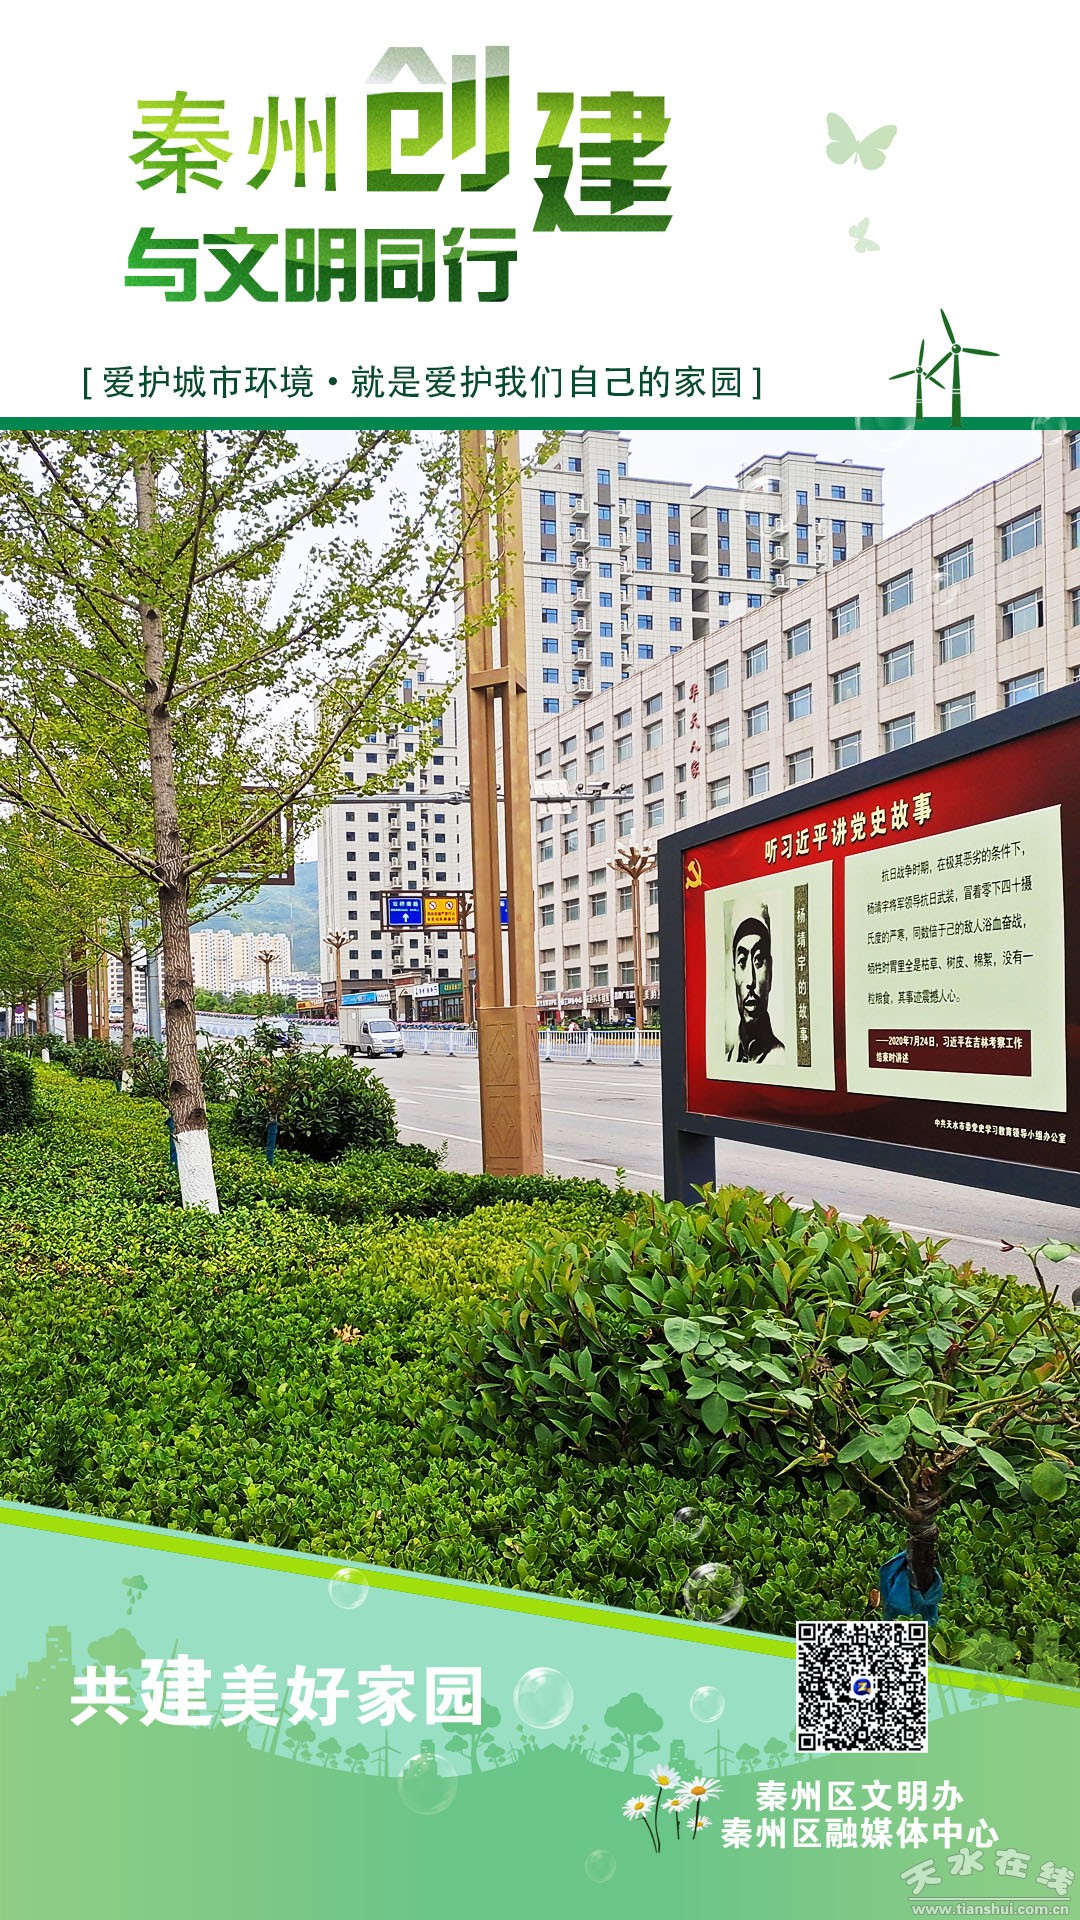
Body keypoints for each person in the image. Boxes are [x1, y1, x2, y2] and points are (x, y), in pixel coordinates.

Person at [726, 905, 785, 1065]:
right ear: (734, 973)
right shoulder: (727, 1060)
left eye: (758, 960)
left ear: (770, 972)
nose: (750, 981)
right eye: (742, 961)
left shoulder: (781, 1059)